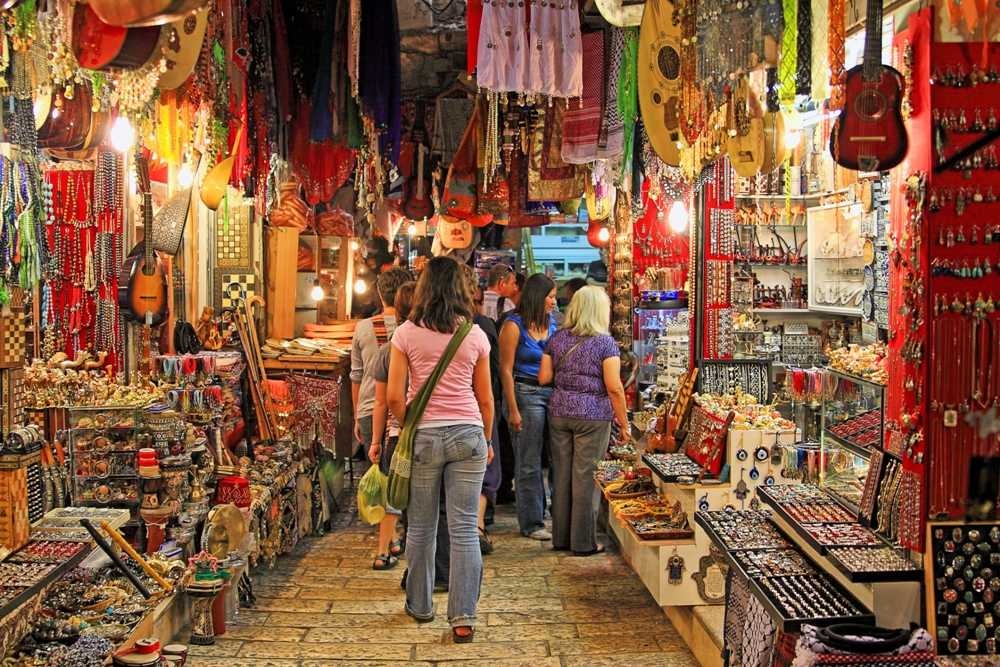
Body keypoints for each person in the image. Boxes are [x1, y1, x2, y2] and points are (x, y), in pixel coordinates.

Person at [387, 256, 494, 643]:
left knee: (421, 525)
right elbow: (485, 399)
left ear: (424, 289)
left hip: (424, 438)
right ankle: (463, 616)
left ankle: (420, 605)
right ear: (461, 291)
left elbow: (396, 397)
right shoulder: (474, 335)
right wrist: (487, 438)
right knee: (464, 528)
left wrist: (408, 427)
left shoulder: (404, 334)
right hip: (468, 434)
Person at [538, 286, 628, 555]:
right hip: (593, 416)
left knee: (562, 476)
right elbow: (614, 387)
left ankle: (561, 538)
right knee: (586, 478)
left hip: (560, 413)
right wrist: (624, 423)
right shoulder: (605, 343)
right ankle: (583, 542)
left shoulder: (557, 339)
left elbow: (544, 378)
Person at [499, 273, 557, 540]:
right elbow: (506, 370)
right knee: (529, 460)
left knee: (555, 458)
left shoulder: (553, 324)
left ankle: (554, 511)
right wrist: (512, 408)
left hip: (553, 393)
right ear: (538, 296)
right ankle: (532, 521)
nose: (554, 302)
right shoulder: (513, 326)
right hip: (525, 392)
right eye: (551, 297)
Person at [367, 282, 416, 570]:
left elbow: (382, 402)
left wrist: (375, 441)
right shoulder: (430, 345)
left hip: (396, 436)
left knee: (392, 492)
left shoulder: (389, 349)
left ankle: (383, 550)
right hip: (420, 434)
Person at [350, 267, 411, 462]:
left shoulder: (363, 327)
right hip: (408, 410)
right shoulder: (416, 328)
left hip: (369, 407)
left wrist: (357, 415)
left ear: (379, 293)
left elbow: (356, 376)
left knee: (376, 478)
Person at [462, 264, 502, 554]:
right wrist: (488, 436)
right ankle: (474, 528)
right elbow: (488, 392)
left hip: (432, 423)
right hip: (474, 414)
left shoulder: (414, 330)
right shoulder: (479, 329)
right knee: (482, 473)